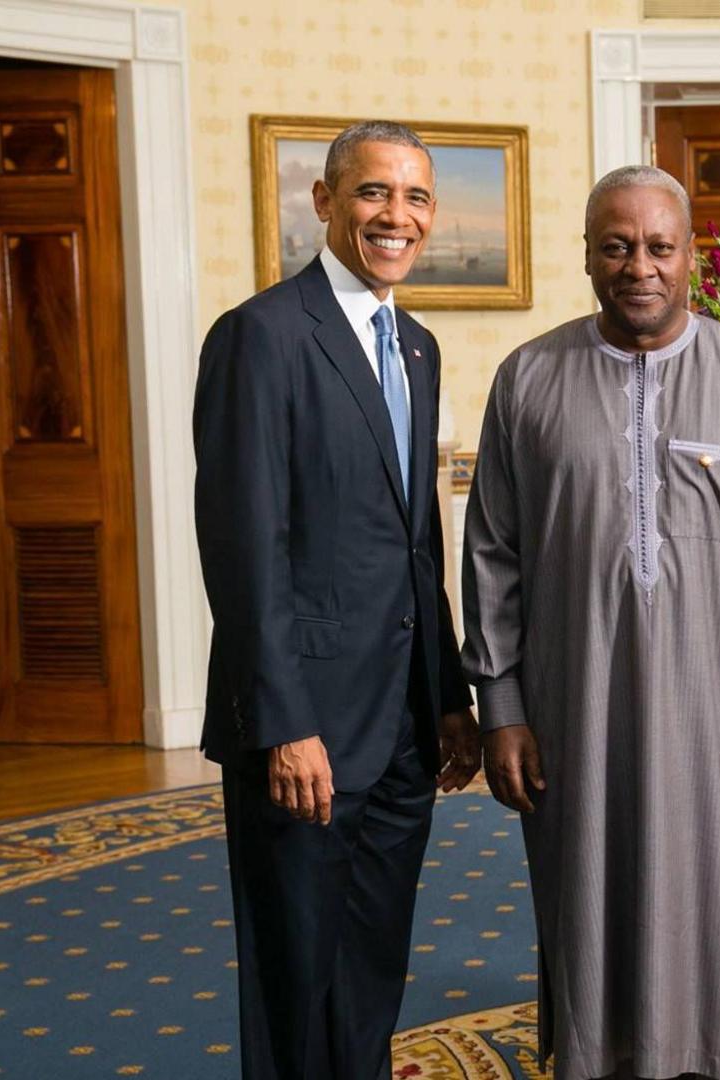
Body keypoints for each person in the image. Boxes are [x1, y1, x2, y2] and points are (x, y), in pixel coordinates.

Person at [461, 164, 720, 1080]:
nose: (640, 268)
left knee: (714, 903)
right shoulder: (529, 379)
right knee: (586, 897)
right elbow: (492, 552)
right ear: (587, 255)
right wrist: (500, 704)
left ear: (692, 255)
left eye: (660, 247)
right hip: (571, 711)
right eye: (617, 247)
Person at [192, 120, 480, 1080]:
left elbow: (414, 543)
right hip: (305, 726)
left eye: (415, 198)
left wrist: (447, 698)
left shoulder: (421, 347)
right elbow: (244, 552)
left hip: (401, 722)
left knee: (371, 963)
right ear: (323, 202)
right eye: (372, 193)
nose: (395, 216)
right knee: (295, 971)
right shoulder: (260, 337)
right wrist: (283, 724)